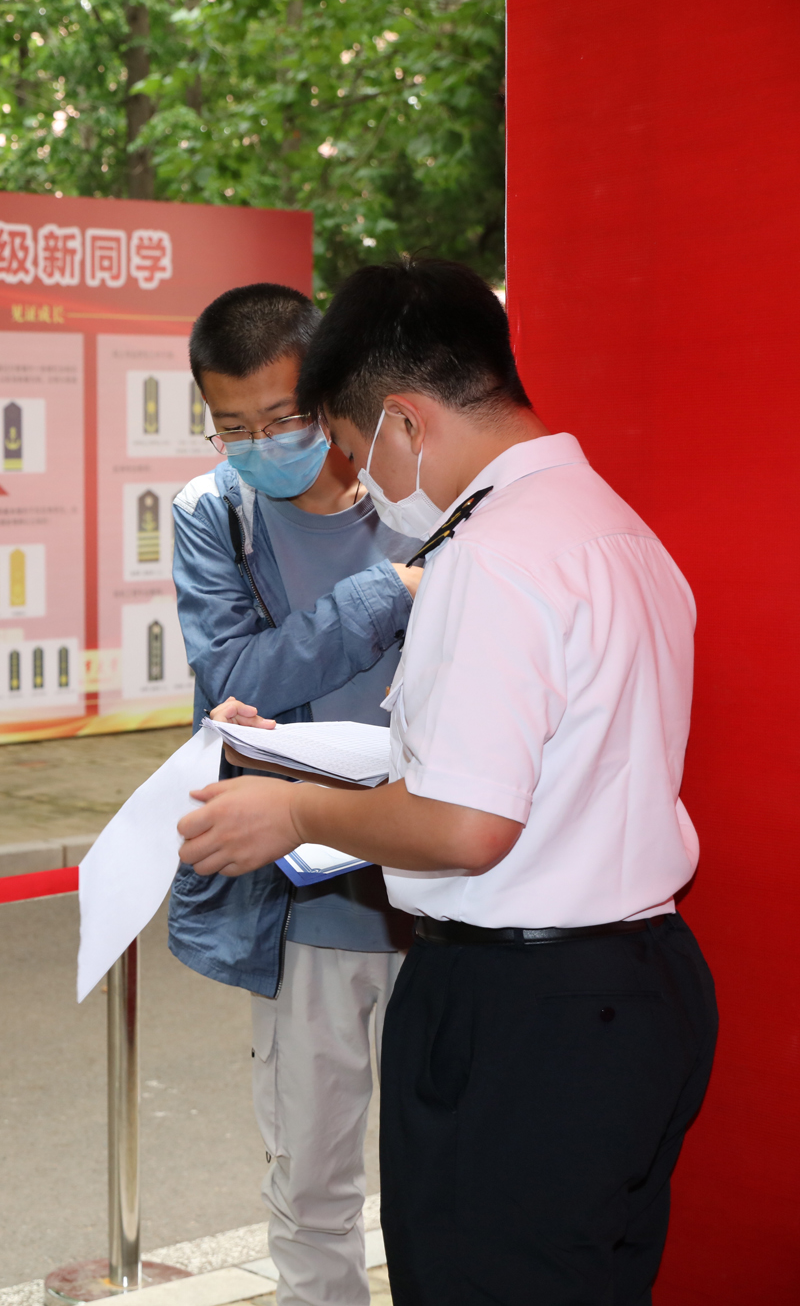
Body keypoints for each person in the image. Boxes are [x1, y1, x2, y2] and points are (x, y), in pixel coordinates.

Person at [179, 259, 717, 1305]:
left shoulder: (490, 555)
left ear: (404, 421)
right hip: (638, 985)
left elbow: (469, 823)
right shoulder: (611, 524)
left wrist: (290, 807)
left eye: (352, 445)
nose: (360, 478)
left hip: (524, 1013)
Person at [170, 284, 419, 1306]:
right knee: (311, 1187)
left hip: (436, 886)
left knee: (439, 1172)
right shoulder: (214, 514)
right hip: (305, 904)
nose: (259, 445)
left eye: (280, 418)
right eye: (231, 427)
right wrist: (386, 595)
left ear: (327, 392)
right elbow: (234, 676)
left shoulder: (415, 494)